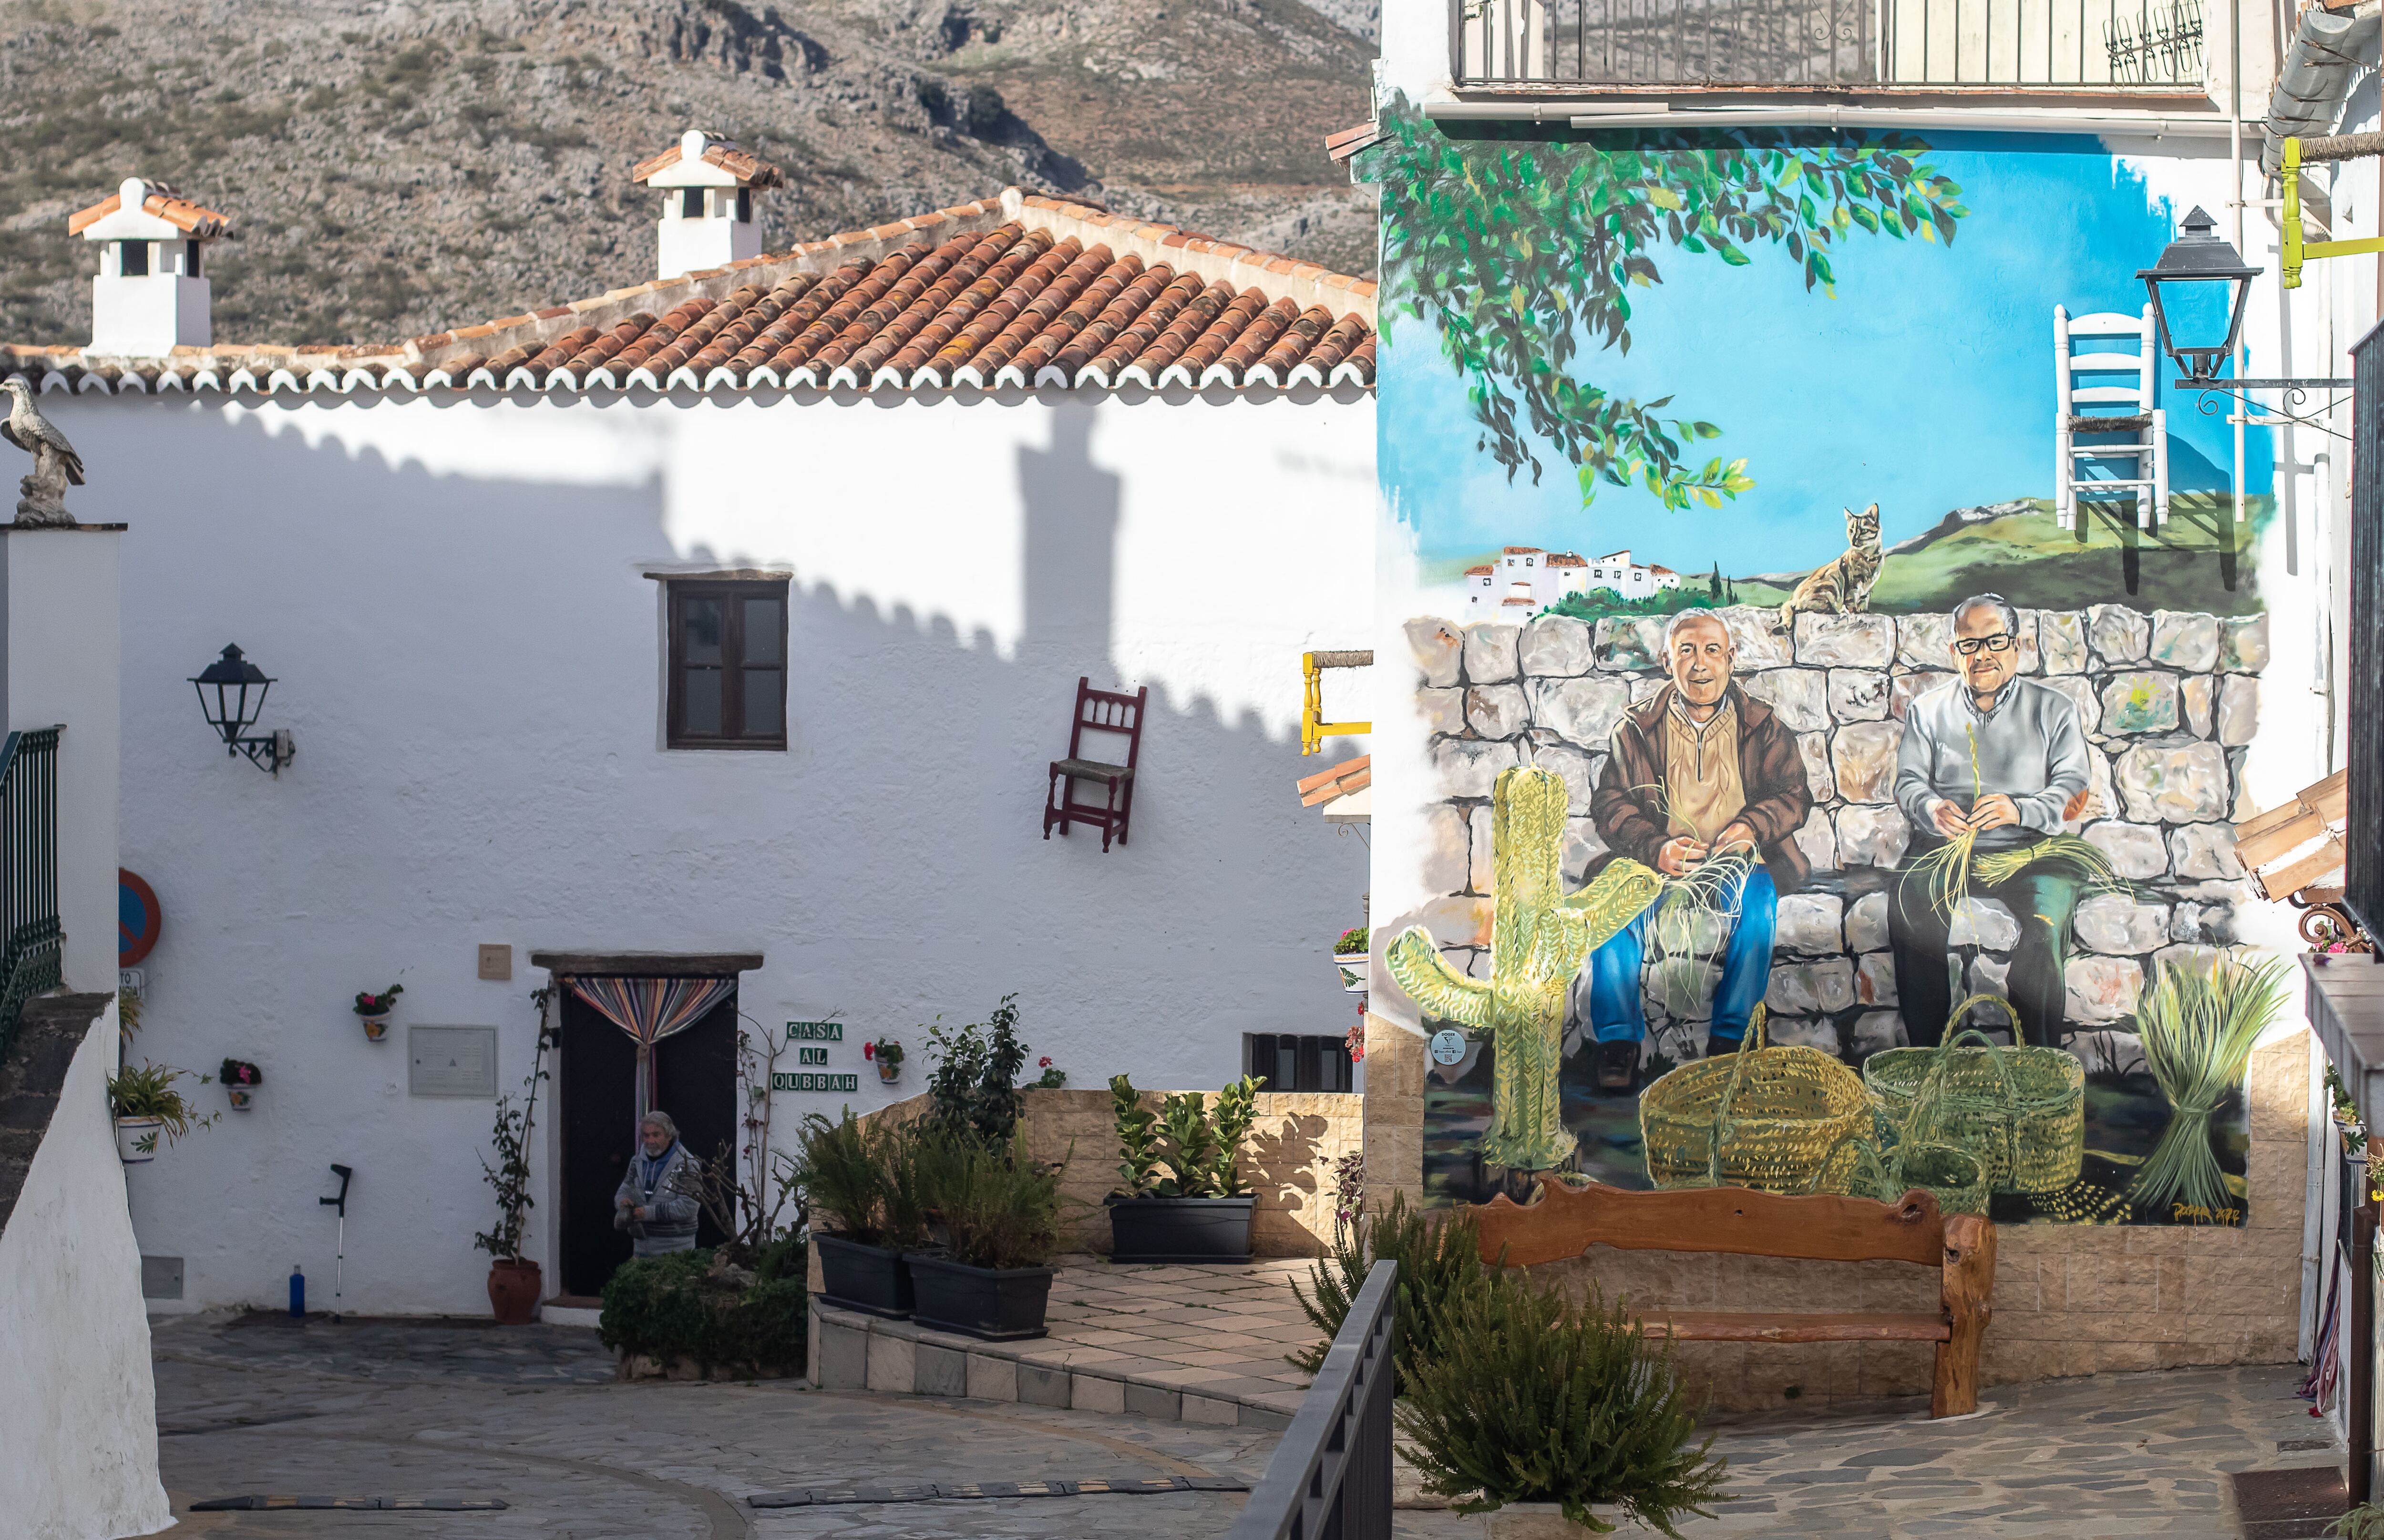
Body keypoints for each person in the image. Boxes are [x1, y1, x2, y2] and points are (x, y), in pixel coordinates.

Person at [1582, 608, 1814, 1090]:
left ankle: (1732, 1038)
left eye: (1711, 650)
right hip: (1659, 867)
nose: (1699, 663)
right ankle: (1617, 1040)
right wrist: (1655, 847)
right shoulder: (1635, 728)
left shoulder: (1762, 726)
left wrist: (1752, 826)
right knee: (1611, 910)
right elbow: (1608, 803)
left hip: (1738, 864)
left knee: (1758, 905)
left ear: (1730, 659)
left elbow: (1794, 794)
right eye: (1686, 650)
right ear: (1667, 660)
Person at [1889, 593, 2091, 1048]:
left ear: (2017, 647)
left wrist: (2020, 810)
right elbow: (1908, 783)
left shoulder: (2054, 709)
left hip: (2035, 853)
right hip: (1944, 848)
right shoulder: (1928, 711)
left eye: (1995, 642)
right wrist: (1932, 809)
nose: (1982, 655)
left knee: (2043, 931)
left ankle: (2039, 1064)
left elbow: (2075, 790)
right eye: (1969, 645)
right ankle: (1928, 1058)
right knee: (1910, 906)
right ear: (1953, 653)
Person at [615, 1110, 701, 1256]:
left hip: (677, 1251)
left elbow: (689, 1207)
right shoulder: (637, 1163)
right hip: (642, 1249)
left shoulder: (688, 1165)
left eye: (656, 1135)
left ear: (669, 1135)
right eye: (646, 1136)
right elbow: (623, 1191)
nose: (650, 1141)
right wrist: (622, 1202)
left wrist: (647, 1213)